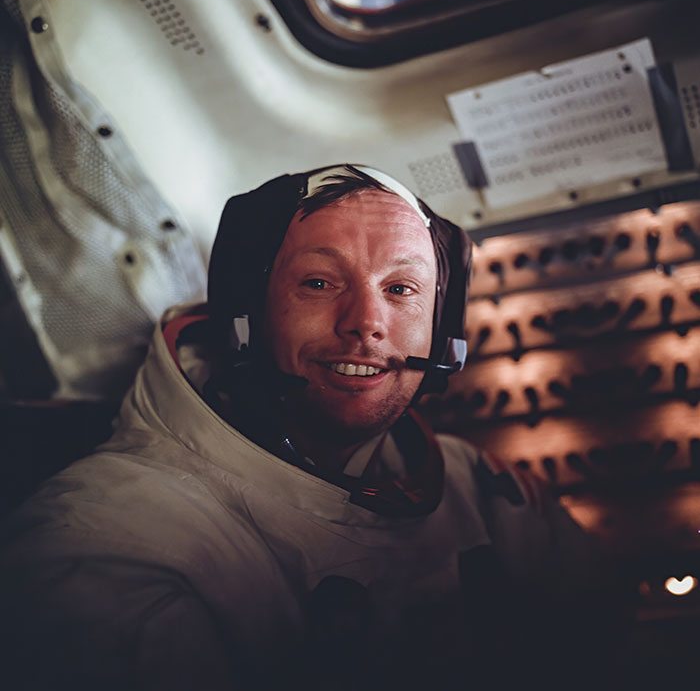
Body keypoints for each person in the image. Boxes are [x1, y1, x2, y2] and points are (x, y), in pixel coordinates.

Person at [0, 165, 614, 690]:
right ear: (245, 316)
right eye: (319, 283)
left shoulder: (473, 485)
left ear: (443, 332)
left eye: (401, 290)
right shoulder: (106, 549)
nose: (366, 324)